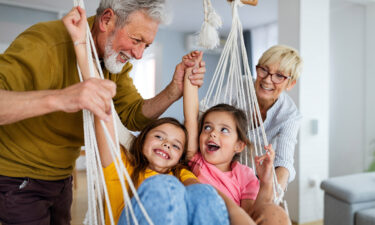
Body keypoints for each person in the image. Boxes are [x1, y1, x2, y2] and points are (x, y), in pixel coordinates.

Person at [0, 0, 205, 224]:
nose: (138, 55)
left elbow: (131, 114)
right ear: (107, 20)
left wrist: (173, 91)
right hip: (18, 175)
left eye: (145, 46)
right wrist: (62, 98)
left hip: (61, 176)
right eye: (136, 40)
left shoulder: (114, 60)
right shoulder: (45, 43)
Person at [65, 7, 253, 225]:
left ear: (181, 155)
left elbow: (203, 195)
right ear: (143, 138)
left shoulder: (180, 173)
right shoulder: (122, 165)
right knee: (164, 186)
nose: (166, 146)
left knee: (204, 193)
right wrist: (80, 45)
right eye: (159, 137)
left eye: (175, 146)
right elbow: (102, 106)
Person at [183, 51, 290, 224]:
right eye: (207, 127)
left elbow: (251, 214)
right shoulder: (196, 160)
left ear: (239, 145)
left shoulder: (245, 174)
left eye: (224, 130)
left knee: (275, 214)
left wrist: (265, 181)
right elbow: (190, 116)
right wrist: (190, 73)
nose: (213, 133)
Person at [254, 45, 303, 190]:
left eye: (279, 76)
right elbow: (204, 114)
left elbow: (284, 161)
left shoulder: (290, 115)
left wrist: (273, 197)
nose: (268, 80)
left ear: (290, 84)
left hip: (257, 181)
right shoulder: (239, 86)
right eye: (264, 69)